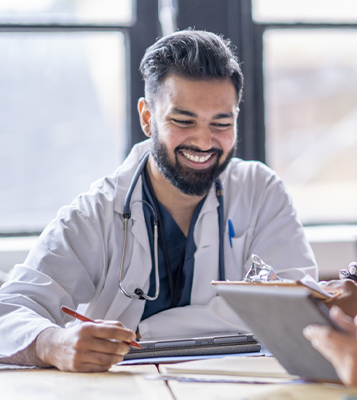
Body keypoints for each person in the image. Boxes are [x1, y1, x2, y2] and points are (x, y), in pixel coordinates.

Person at [0, 29, 316, 372]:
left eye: (221, 123)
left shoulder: (260, 191)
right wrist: (51, 343)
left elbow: (298, 312)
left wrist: (142, 332)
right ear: (147, 118)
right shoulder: (97, 213)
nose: (204, 141)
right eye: (183, 121)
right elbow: (11, 308)